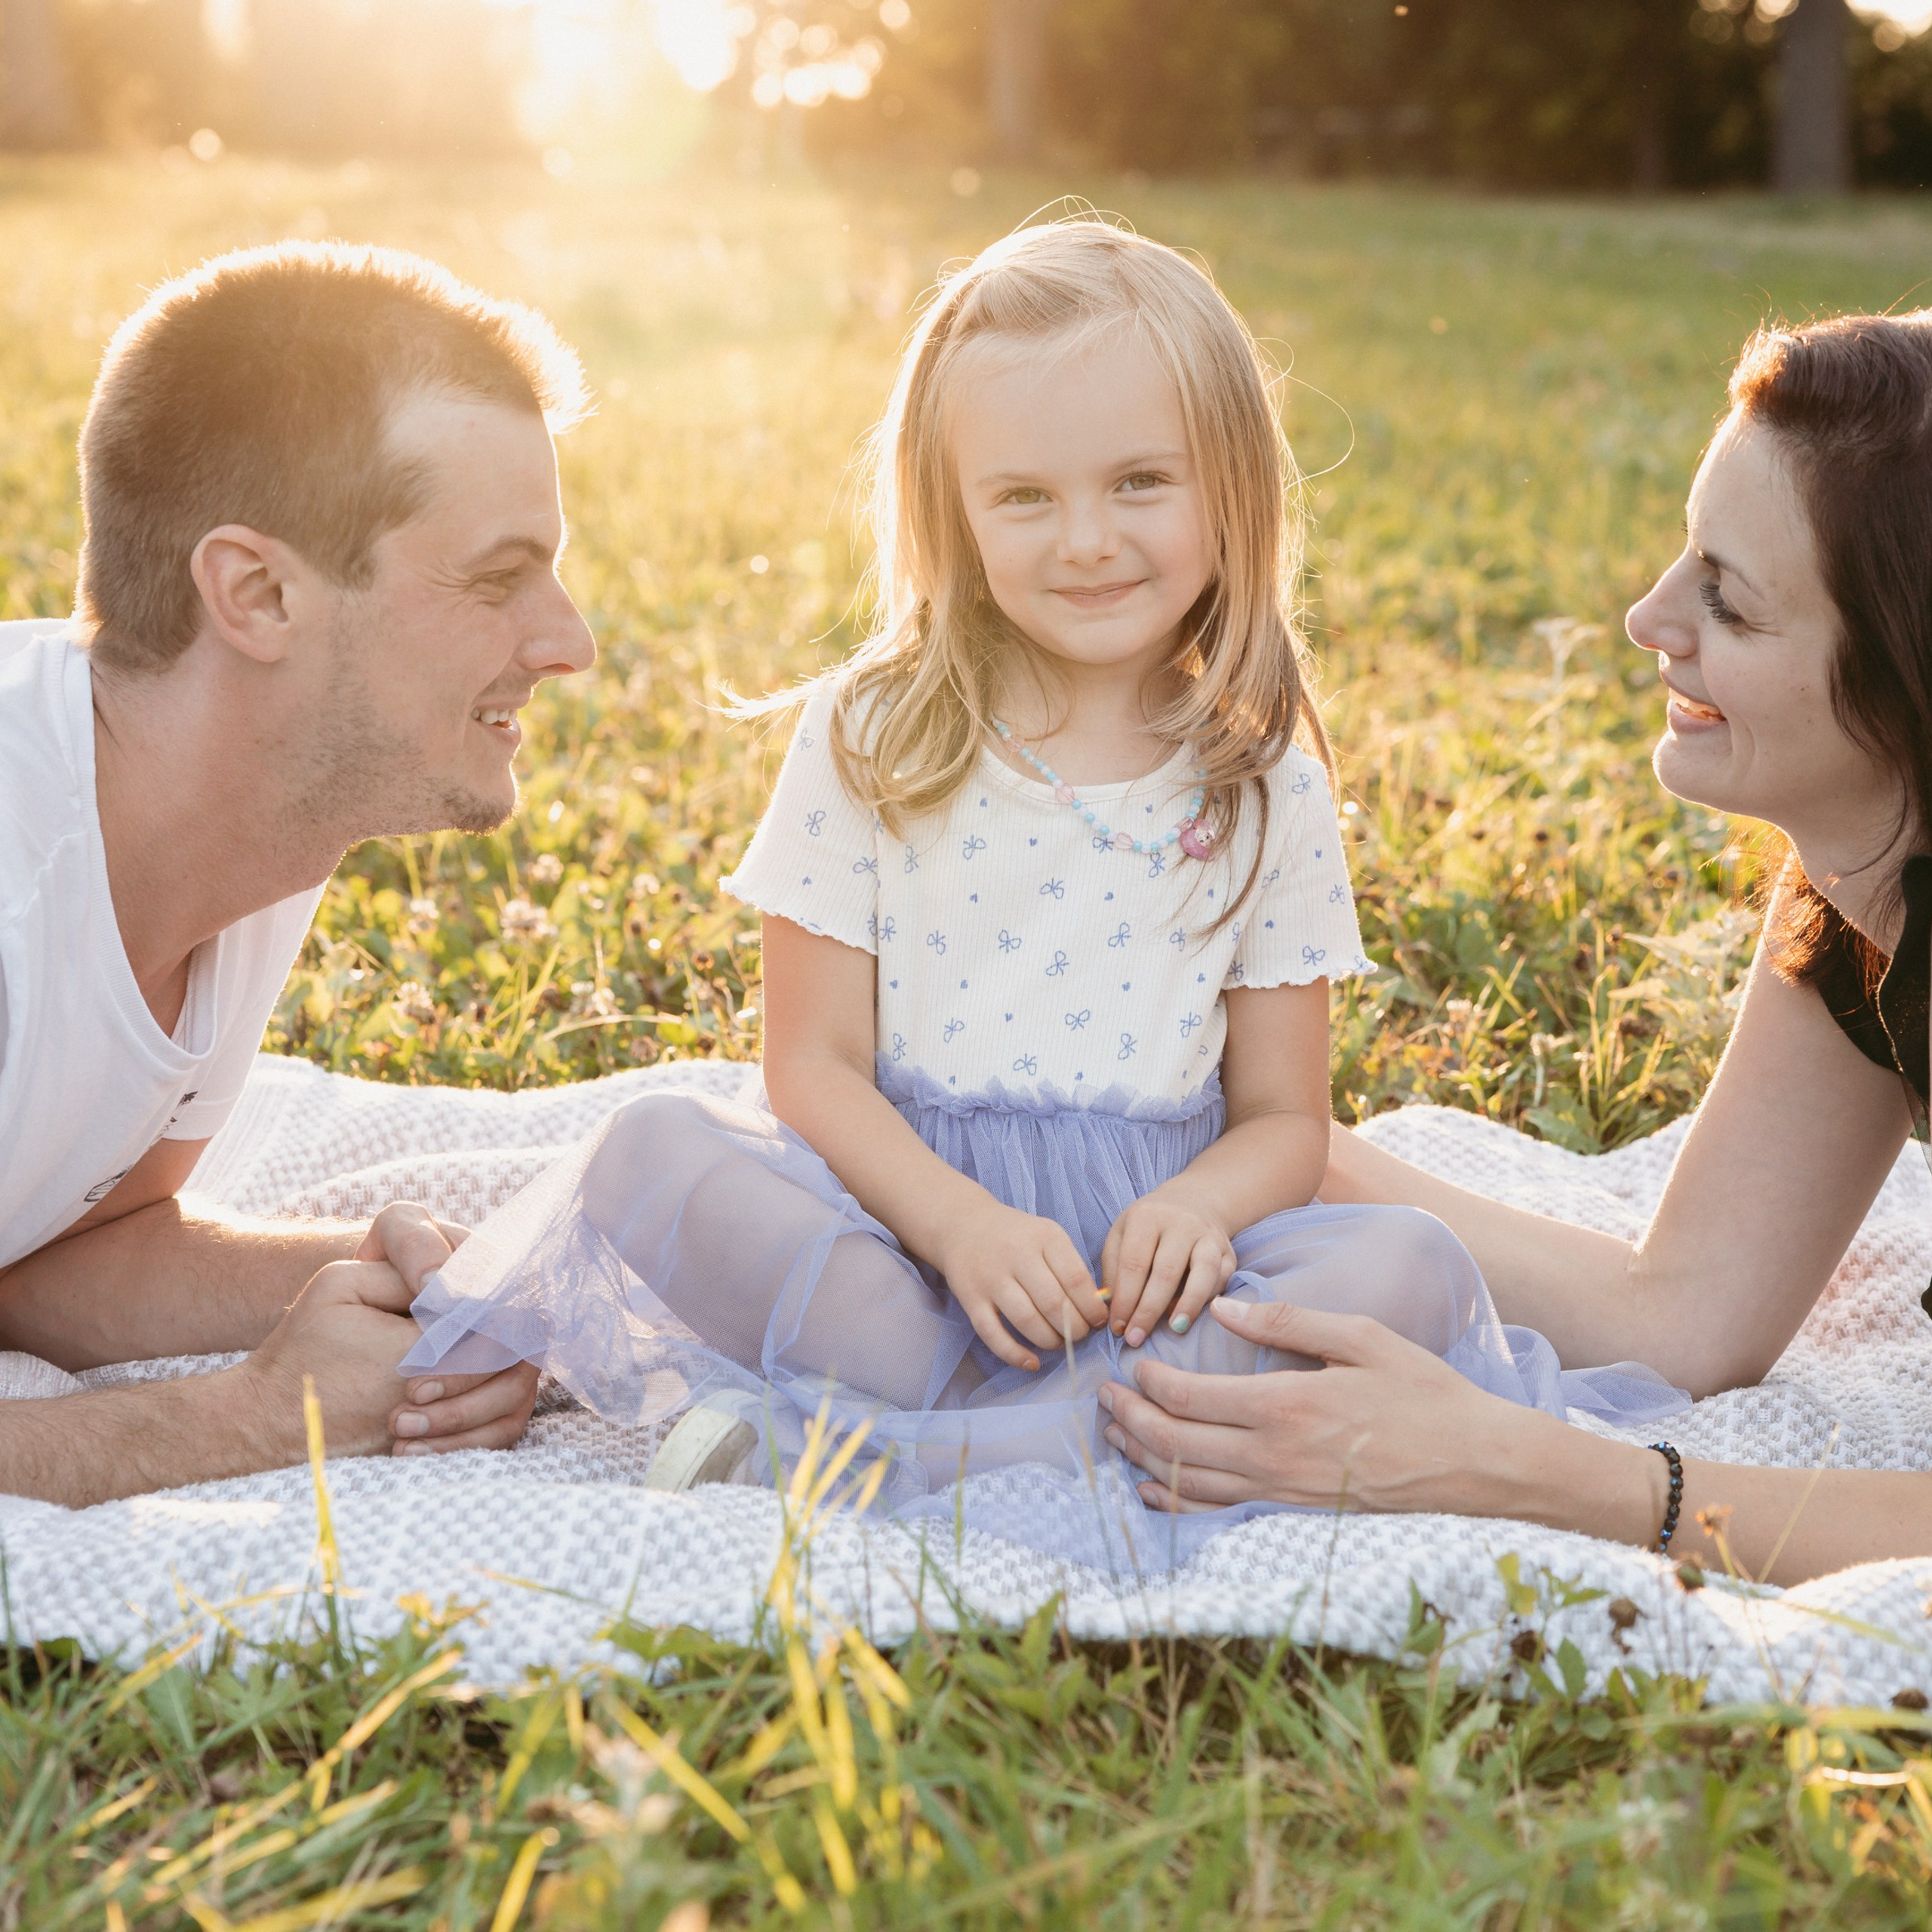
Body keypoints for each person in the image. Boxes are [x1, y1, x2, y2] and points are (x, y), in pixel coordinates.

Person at [401, 221, 1681, 1566]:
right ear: (952, 508)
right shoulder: (871, 734)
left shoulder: (1264, 784)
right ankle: (1028, 1437)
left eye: (1140, 483)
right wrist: (957, 1226)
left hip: (1140, 1289)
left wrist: (1199, 1212)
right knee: (648, 1148)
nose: (1086, 541)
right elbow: (811, 1066)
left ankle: (899, 1461)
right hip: (902, 1245)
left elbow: (1285, 1120)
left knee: (1404, 1268)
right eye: (1023, 497)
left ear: (1232, 487)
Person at [1097, 309, 1932, 1588]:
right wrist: (1217, 1122)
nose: (1649, 616)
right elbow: (1689, 1316)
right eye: (1687, 554)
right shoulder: (1859, 887)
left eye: (1731, 602)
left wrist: (1518, 1467)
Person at [0, 241, 597, 1506]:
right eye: (499, 578)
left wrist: (432, 1287)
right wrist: (253, 1416)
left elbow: (56, 1252)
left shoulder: (255, 818)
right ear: (259, 593)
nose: (569, 642)